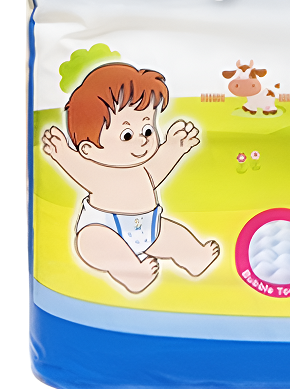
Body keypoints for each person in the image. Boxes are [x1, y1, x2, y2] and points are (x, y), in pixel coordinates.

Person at [42, 63, 219, 293]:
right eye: (126, 135)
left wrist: (175, 146)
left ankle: (194, 257)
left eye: (147, 129)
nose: (143, 140)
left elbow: (158, 170)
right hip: (105, 227)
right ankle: (131, 274)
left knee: (174, 234)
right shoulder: (98, 174)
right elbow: (77, 168)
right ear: (88, 149)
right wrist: (62, 153)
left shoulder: (143, 170)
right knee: (93, 241)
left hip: (149, 228)